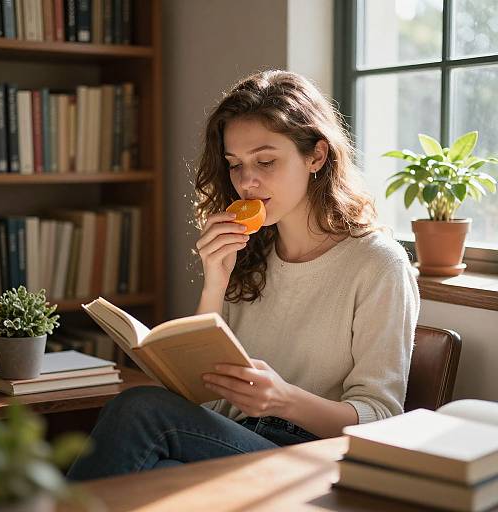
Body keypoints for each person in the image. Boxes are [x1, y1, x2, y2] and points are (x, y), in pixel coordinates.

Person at [67, 70, 420, 481]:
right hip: (231, 439)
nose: (247, 183)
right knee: (153, 471)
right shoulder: (251, 250)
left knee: (140, 409)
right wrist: (215, 281)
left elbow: (380, 420)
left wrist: (283, 399)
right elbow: (204, 399)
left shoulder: (377, 264)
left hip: (307, 455)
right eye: (235, 165)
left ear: (316, 157)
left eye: (266, 162)